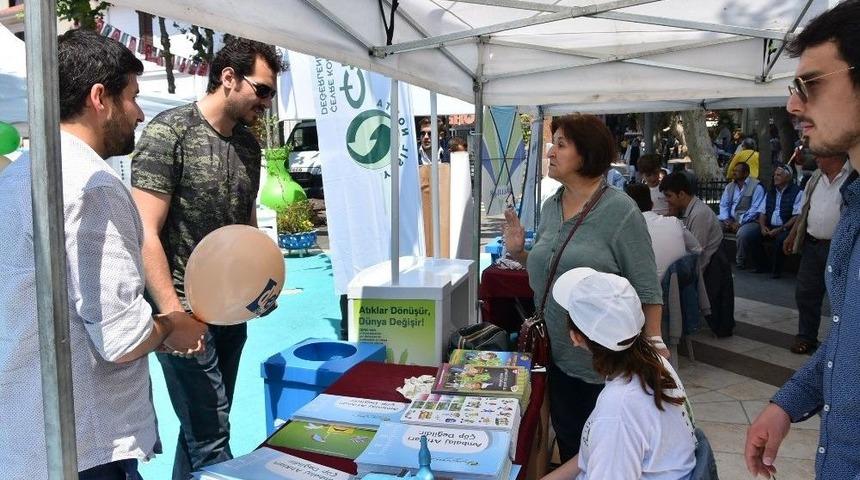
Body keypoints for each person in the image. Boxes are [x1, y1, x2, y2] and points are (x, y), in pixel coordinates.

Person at [0, 29, 206, 479]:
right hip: (86, 446)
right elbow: (121, 338)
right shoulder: (92, 186)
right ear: (100, 98)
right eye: (132, 97)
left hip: (28, 437)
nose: (138, 114)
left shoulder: (18, 178)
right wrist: (174, 324)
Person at [131, 39, 286, 478]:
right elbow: (145, 232)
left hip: (231, 314)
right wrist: (174, 317)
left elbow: (246, 229)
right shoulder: (169, 132)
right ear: (228, 77)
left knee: (202, 431)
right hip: (183, 314)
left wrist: (263, 283)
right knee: (212, 438)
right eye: (262, 90)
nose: (267, 103)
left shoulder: (248, 146)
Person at [503, 114, 663, 463]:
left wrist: (654, 352)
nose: (551, 151)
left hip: (603, 367)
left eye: (561, 144)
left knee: (605, 457)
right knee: (573, 445)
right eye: (553, 143)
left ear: (586, 154)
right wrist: (519, 253)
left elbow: (648, 290)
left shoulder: (620, 211)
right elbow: (551, 269)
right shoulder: (550, 206)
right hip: (555, 356)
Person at [745, 2, 860, 478]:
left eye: (810, 84)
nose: (794, 104)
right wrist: (787, 404)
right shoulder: (852, 209)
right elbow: (849, 343)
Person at [541, 268, 696, 480]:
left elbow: (611, 439)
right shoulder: (652, 362)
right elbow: (590, 455)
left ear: (575, 337)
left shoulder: (618, 410)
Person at [782, 154, 851, 354]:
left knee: (841, 297)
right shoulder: (814, 178)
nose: (816, 158)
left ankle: (842, 342)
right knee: (806, 293)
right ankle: (806, 337)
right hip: (812, 246)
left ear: (835, 154)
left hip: (840, 248)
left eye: (821, 154)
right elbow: (804, 210)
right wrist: (792, 235)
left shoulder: (852, 177)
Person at [661, 172, 735, 337]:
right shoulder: (688, 210)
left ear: (681, 194)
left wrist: (691, 279)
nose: (667, 200)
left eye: (669, 196)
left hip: (713, 261)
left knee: (715, 304)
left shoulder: (699, 214)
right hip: (705, 260)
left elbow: (697, 251)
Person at [625, 183, 701, 281]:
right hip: (680, 289)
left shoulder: (626, 231)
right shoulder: (675, 222)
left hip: (648, 291)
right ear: (652, 204)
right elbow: (697, 249)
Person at [739, 163, 802, 277]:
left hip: (786, 227)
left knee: (781, 240)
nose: (775, 177)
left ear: (788, 177)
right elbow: (762, 212)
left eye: (779, 175)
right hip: (770, 226)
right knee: (751, 236)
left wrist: (781, 229)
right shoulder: (771, 192)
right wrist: (763, 227)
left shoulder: (797, 192)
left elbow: (796, 216)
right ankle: (762, 266)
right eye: (775, 175)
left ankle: (776, 270)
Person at [718, 162, 766, 269]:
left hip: (750, 221)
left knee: (742, 234)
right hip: (730, 219)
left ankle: (740, 261)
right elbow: (723, 204)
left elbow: (755, 209)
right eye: (734, 170)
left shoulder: (756, 187)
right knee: (714, 225)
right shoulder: (730, 186)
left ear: (746, 173)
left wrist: (739, 222)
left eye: (737, 171)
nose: (734, 173)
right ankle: (718, 256)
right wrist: (726, 220)